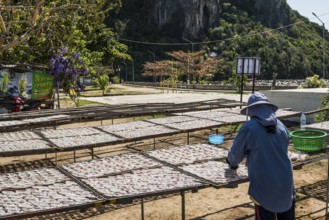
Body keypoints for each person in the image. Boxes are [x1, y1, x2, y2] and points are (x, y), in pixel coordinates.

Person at [226, 92, 295, 220]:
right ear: (267, 108)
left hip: (264, 184)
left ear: (251, 110)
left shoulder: (249, 128)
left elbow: (234, 156)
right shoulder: (282, 126)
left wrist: (231, 164)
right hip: (286, 181)